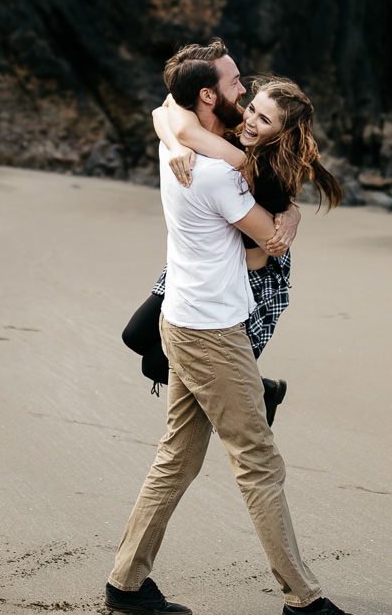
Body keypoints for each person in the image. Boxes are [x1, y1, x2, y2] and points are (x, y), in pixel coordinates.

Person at [104, 47, 375, 615]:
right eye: (234, 86)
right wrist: (287, 221)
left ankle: (125, 582)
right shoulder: (219, 173)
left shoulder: (182, 146)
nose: (243, 95)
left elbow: (166, 111)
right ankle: (303, 601)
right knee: (259, 462)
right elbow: (266, 246)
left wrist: (283, 207)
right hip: (211, 333)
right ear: (209, 96)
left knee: (177, 458)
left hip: (183, 319)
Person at [121, 70, 344, 427]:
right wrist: (177, 148)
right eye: (252, 108)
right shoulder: (242, 131)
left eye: (264, 120)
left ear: (283, 133)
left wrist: (289, 212)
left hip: (248, 280)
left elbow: (266, 249)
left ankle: (258, 391)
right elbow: (164, 110)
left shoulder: (266, 172)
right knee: (134, 336)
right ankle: (243, 388)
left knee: (157, 365)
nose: (250, 121)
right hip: (203, 257)